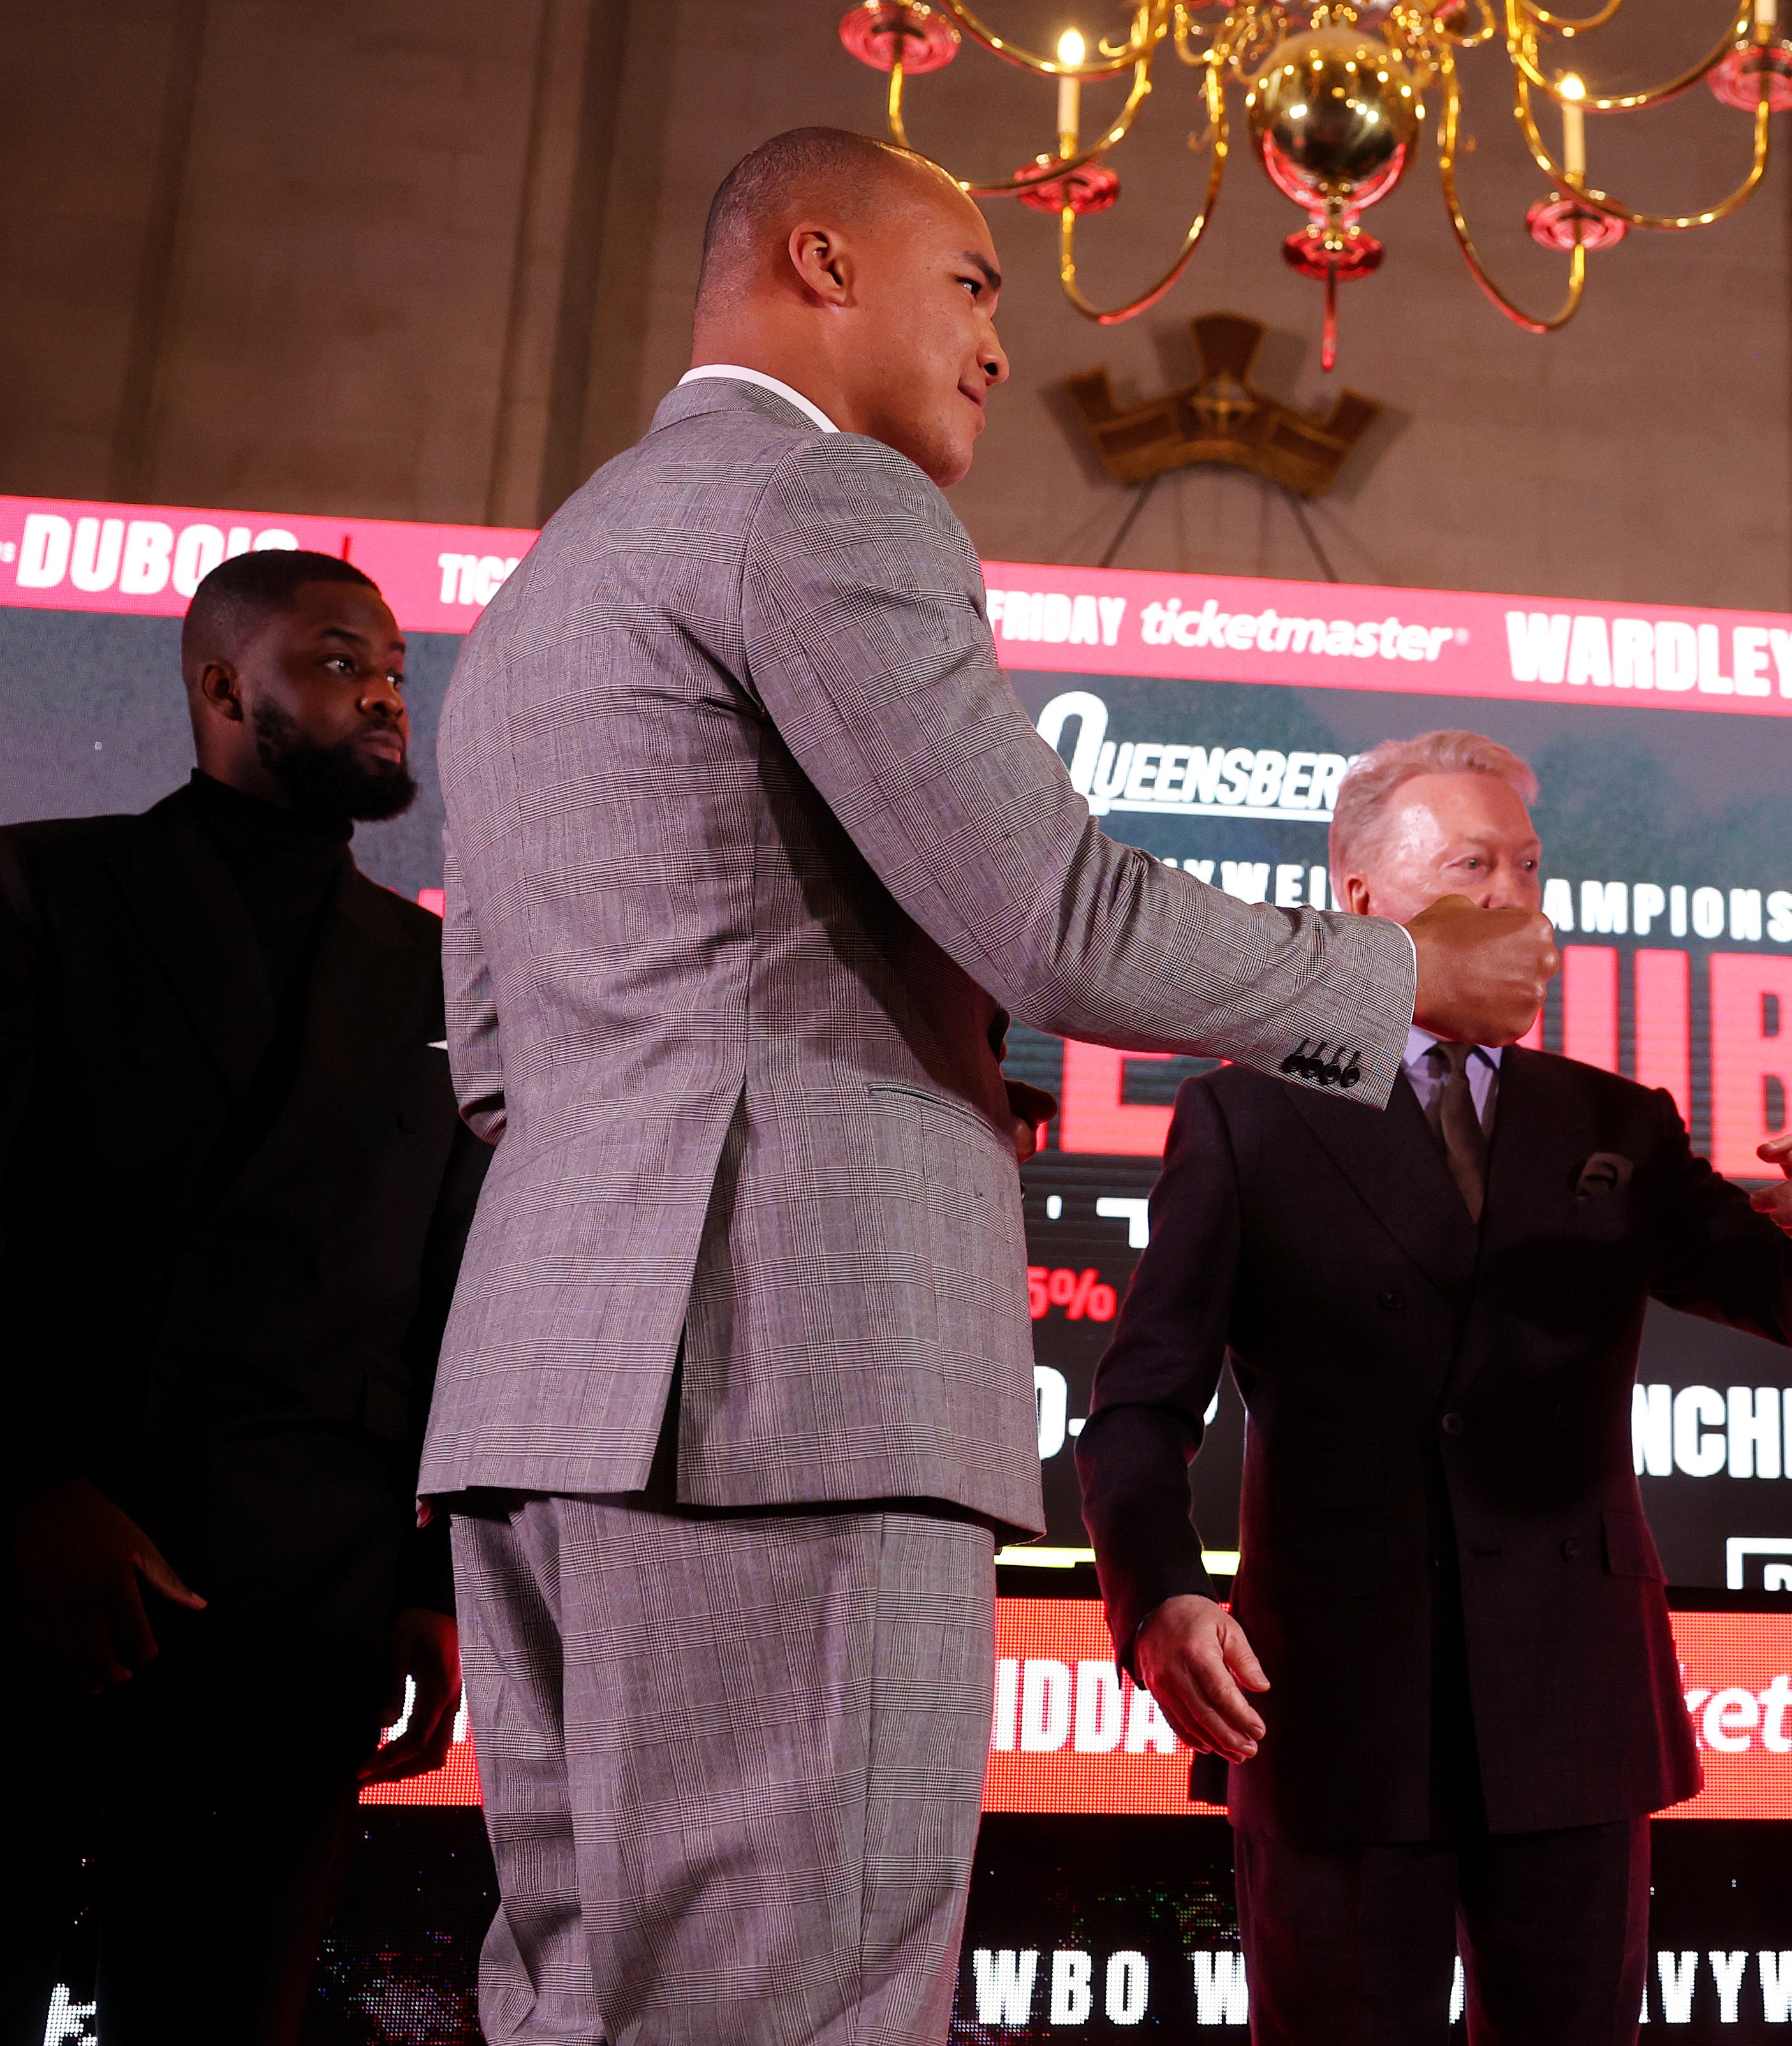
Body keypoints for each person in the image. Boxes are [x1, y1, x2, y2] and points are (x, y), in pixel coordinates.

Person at [422, 128, 1554, 2046]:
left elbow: (501, 1061)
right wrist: (1398, 972)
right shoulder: (821, 505)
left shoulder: (551, 583)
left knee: (588, 2003)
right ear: (817, 263)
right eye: (970, 286)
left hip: (550, 1393)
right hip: (786, 1393)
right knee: (799, 2003)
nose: (997, 351)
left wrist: (904, 1060)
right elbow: (1054, 907)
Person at [1079, 731, 1792, 2045]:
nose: (1520, 894)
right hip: (1337, 1711)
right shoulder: (1250, 1120)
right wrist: (1161, 1598)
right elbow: (1138, 1408)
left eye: (1530, 863)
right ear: (1360, 903)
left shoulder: (1614, 1122)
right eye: (1474, 864)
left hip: (1569, 1706)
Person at [0, 548, 487, 2045]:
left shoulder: (440, 976)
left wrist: (430, 1586)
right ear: (224, 685)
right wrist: (31, 1488)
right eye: (343, 660)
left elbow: (460, 1304)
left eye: (399, 666)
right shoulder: (42, 887)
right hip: (37, 1577)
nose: (388, 691)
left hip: (294, 1624)